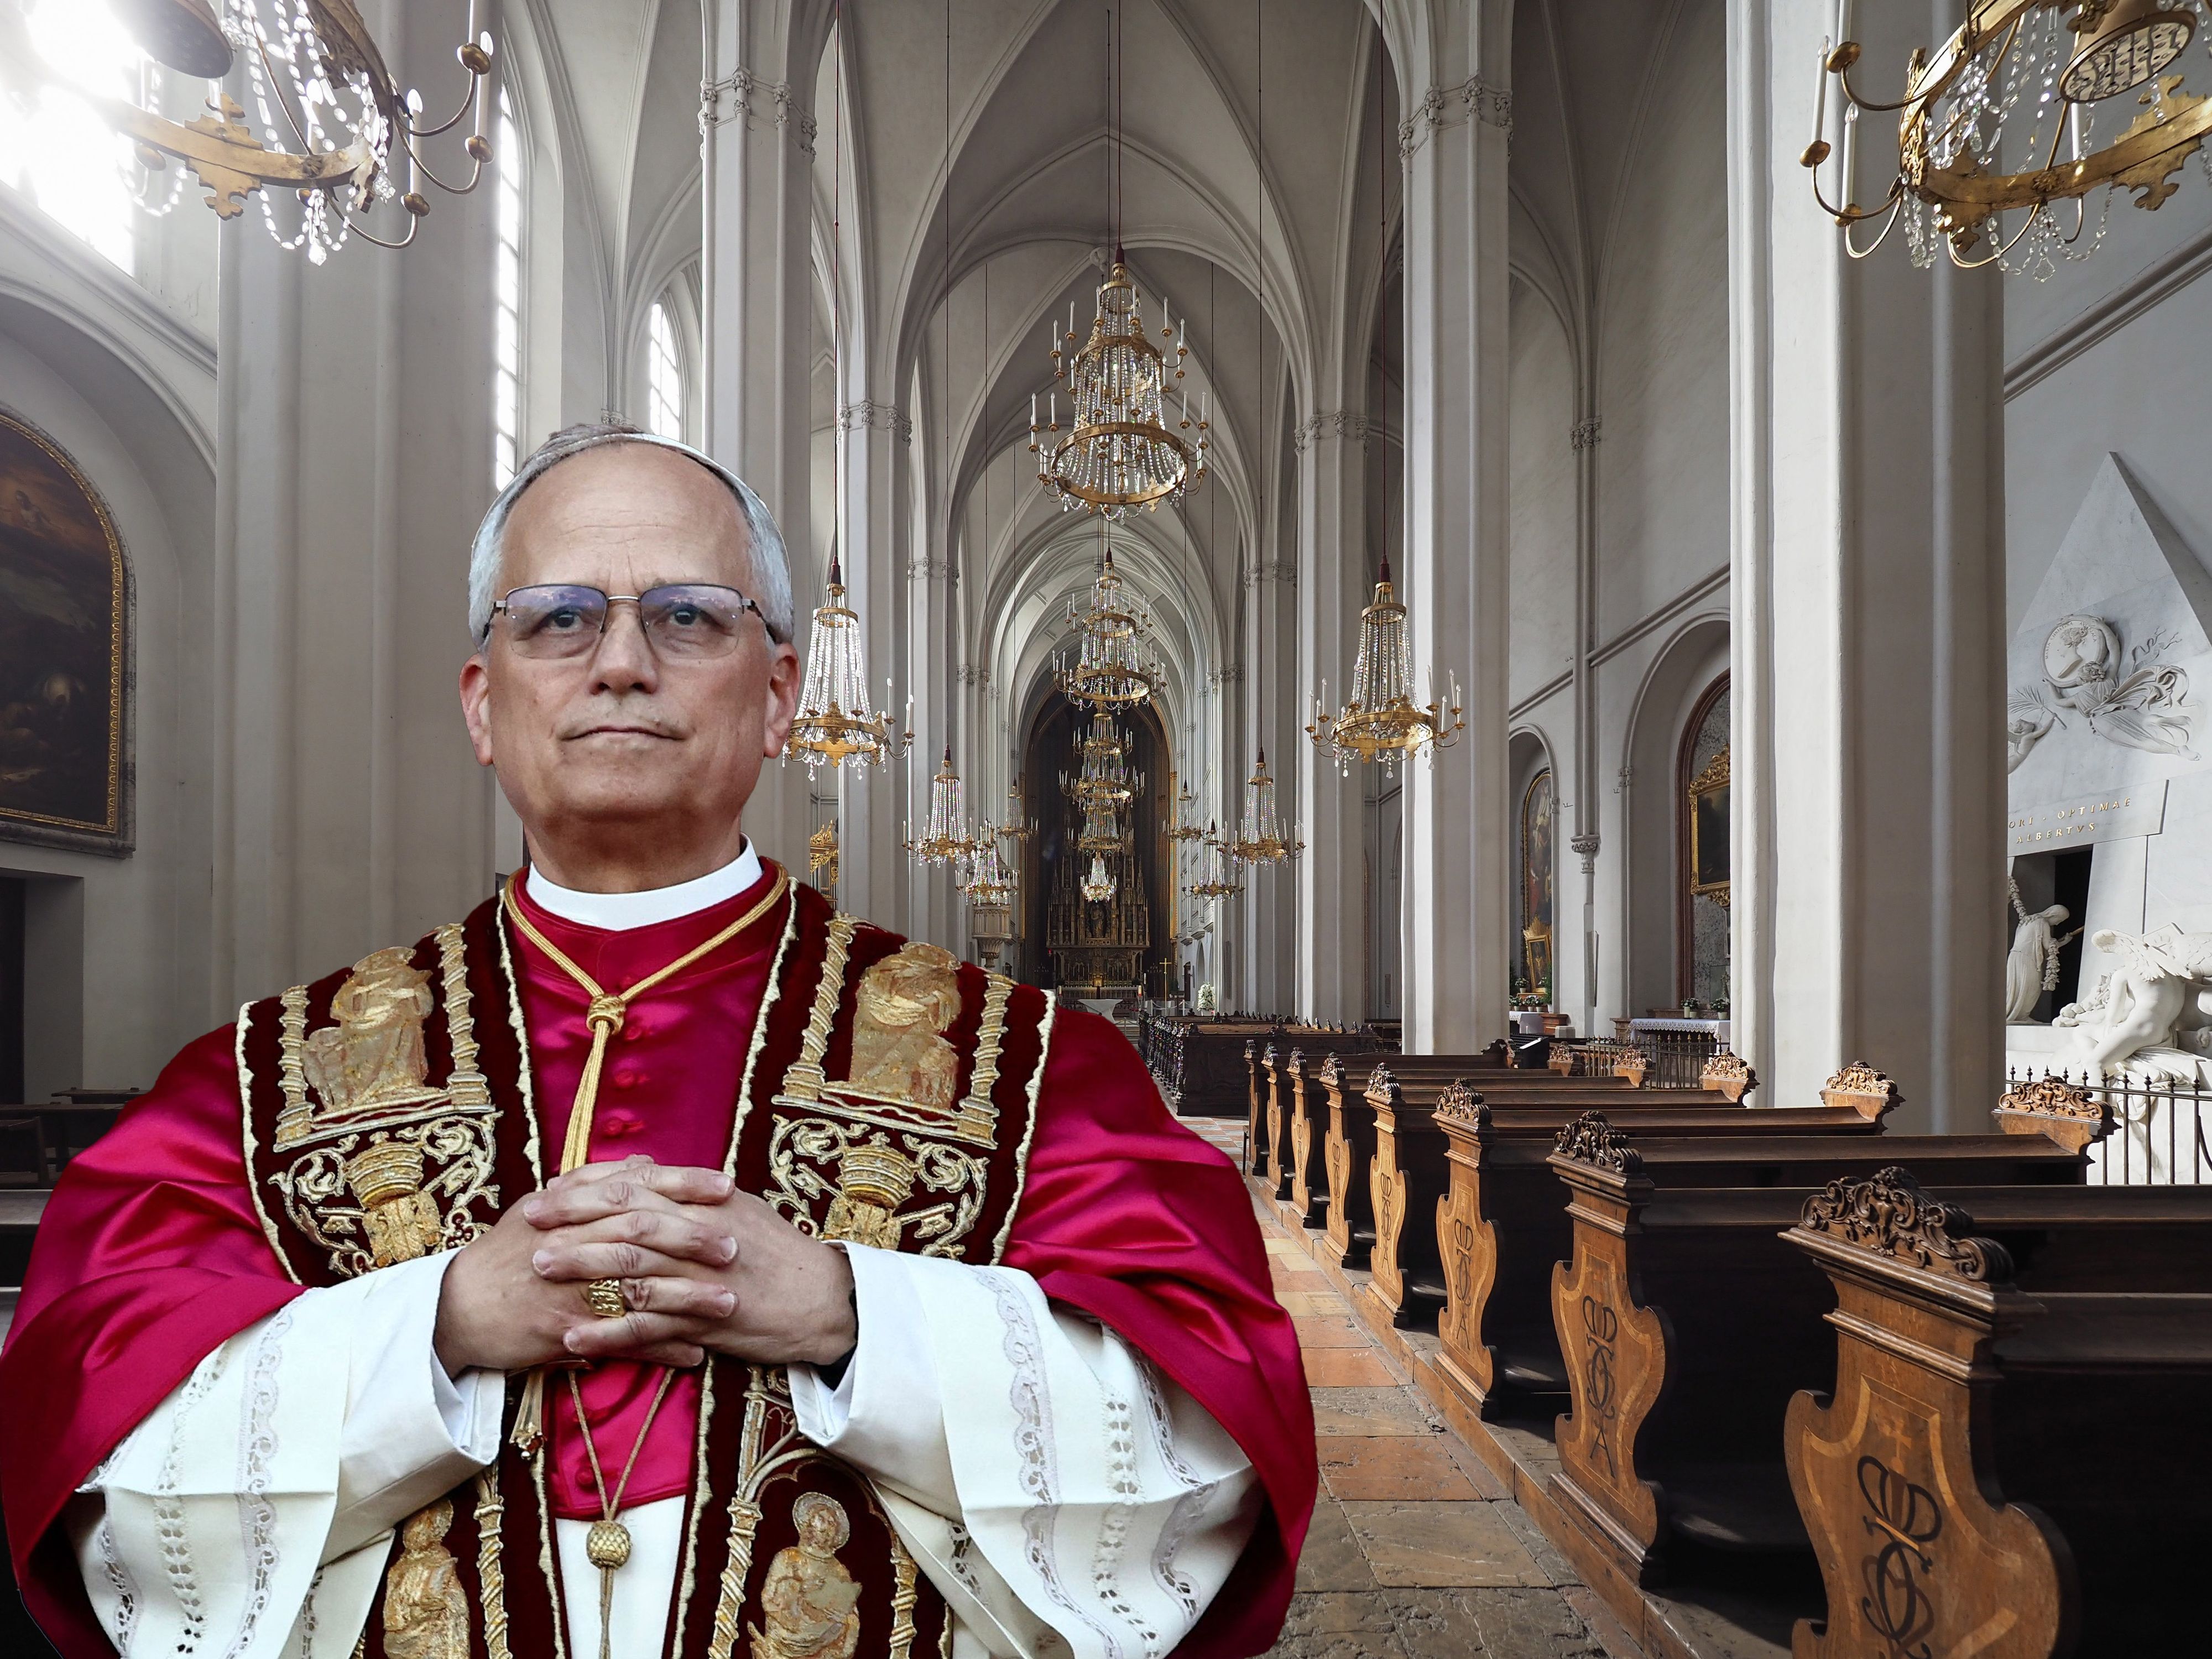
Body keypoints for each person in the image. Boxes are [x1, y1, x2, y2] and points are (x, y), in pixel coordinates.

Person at [0, 424, 1314, 1659]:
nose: (619, 660)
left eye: (687, 615)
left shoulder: (1029, 1066)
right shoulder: (262, 1079)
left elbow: (1208, 1439)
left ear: (780, 693)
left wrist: (856, 1316)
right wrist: (438, 1326)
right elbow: (97, 1450)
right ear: (480, 700)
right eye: (558, 617)